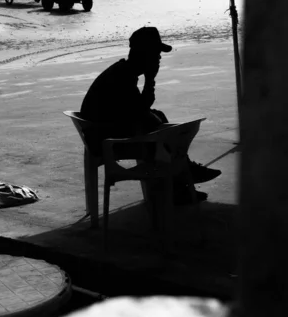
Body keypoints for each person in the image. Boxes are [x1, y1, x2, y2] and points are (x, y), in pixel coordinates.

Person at [80, 26, 221, 204]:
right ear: (144, 54)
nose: (159, 58)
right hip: (107, 142)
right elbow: (139, 111)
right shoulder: (122, 77)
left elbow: (138, 109)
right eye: (156, 53)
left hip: (105, 133)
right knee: (161, 134)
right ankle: (182, 176)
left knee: (158, 120)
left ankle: (181, 176)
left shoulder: (122, 71)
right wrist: (150, 79)